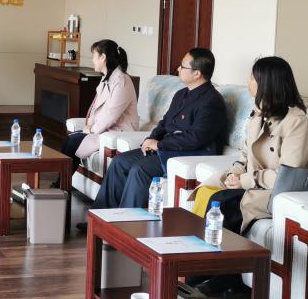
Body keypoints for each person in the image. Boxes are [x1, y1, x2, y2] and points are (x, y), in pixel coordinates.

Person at [193, 56, 308, 295]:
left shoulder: (296, 122)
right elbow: (245, 155)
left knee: (224, 203)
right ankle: (202, 265)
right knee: (206, 192)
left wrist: (246, 181)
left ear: (266, 83)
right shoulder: (258, 114)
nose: (248, 81)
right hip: (252, 182)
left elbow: (288, 174)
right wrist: (235, 174)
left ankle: (218, 275)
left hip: (275, 190)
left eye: (252, 77)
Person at [85, 48, 228, 222]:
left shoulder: (212, 101)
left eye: (183, 66)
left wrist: (159, 145)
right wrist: (150, 139)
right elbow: (164, 123)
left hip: (187, 154)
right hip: (166, 148)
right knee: (119, 162)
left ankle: (125, 223)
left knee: (140, 170)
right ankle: (100, 219)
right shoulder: (181, 94)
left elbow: (196, 138)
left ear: (197, 73)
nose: (178, 69)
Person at [56, 40, 139, 187]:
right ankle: (60, 185)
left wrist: (91, 129)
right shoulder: (107, 78)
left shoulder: (122, 81)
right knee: (68, 140)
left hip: (118, 132)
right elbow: (96, 108)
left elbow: (110, 116)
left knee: (73, 143)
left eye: (94, 56)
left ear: (103, 57)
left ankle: (60, 187)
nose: (92, 60)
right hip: (103, 129)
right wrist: (89, 125)